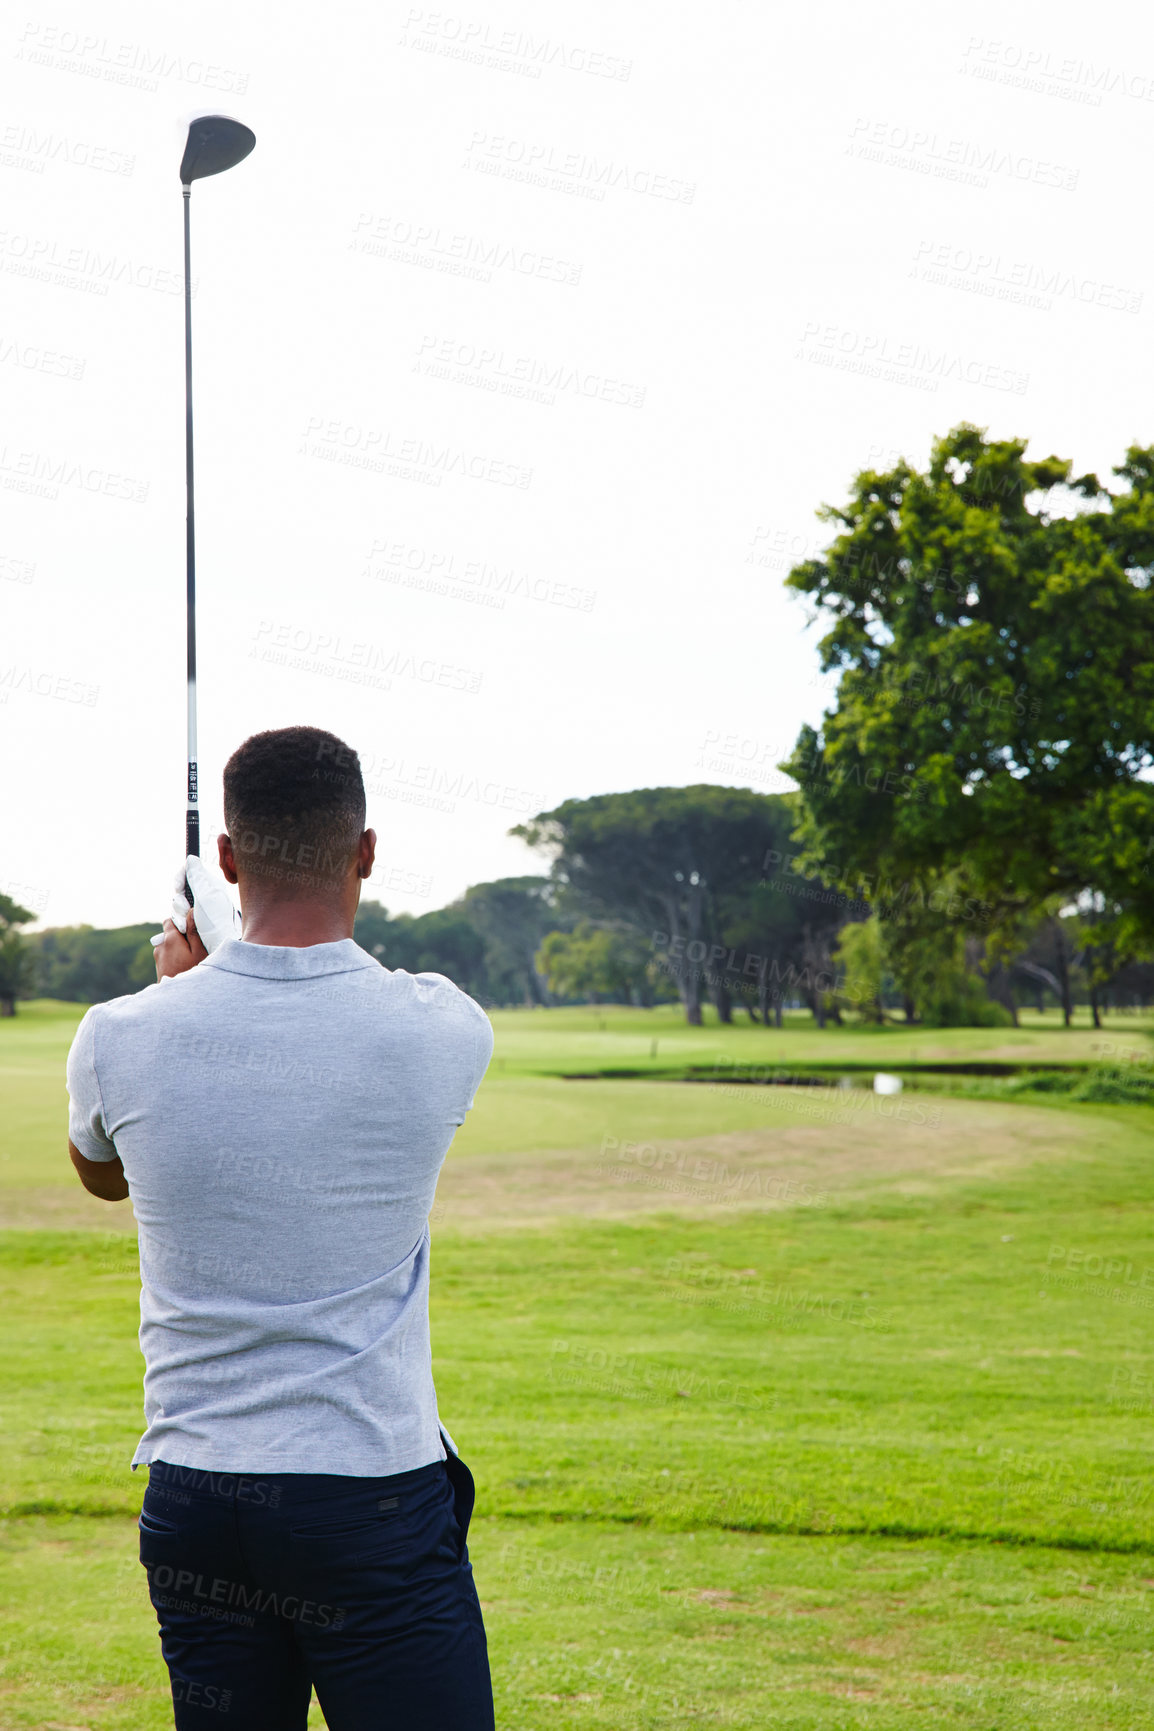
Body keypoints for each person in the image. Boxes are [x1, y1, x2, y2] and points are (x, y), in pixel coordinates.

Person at [65, 725, 495, 1730]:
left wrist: (186, 982)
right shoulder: (443, 1025)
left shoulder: (119, 1034)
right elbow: (333, 1013)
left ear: (225, 858)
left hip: (197, 1501)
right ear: (366, 852)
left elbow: (101, 1177)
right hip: (369, 1499)